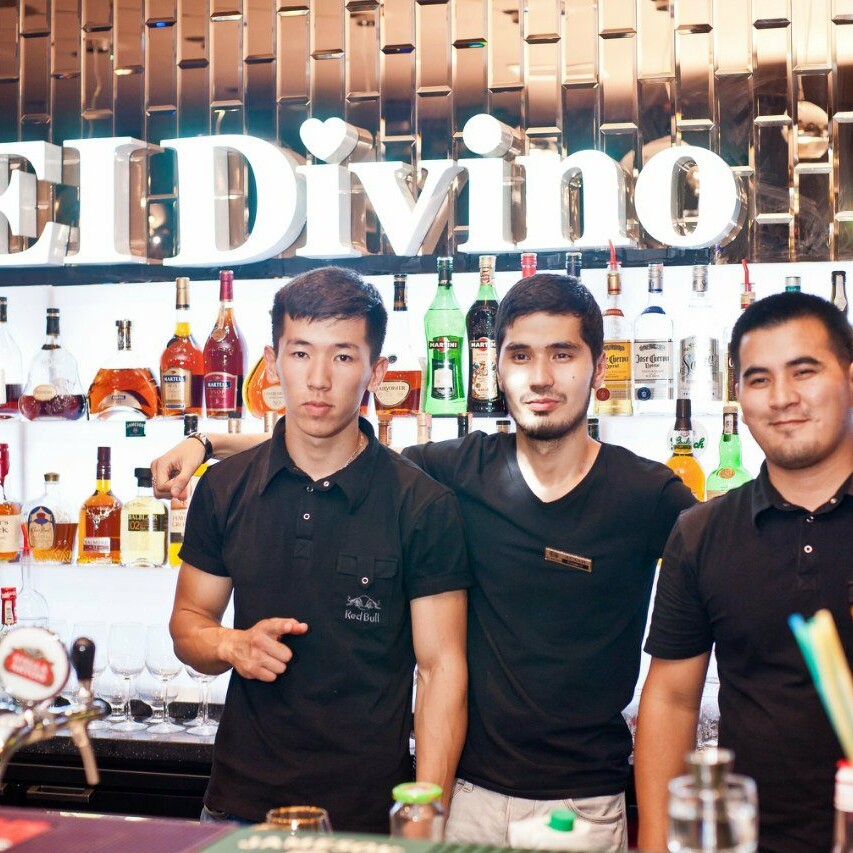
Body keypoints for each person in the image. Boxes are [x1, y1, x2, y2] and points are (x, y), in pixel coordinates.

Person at [155, 272, 695, 850]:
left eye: (562, 355)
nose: (540, 377)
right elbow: (325, 442)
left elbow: (725, 563)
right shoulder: (454, 472)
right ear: (496, 369)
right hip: (463, 796)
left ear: (598, 366)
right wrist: (206, 443)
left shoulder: (645, 494)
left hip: (580, 804)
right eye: (520, 356)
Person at [169, 266, 471, 832]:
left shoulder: (422, 504)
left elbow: (440, 672)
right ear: (272, 361)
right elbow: (188, 622)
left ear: (377, 371)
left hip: (366, 818)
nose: (318, 379)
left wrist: (425, 815)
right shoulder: (225, 487)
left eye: (343, 356)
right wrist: (231, 644)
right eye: (301, 353)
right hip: (236, 808)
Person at [635, 291, 853, 853]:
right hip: (747, 839)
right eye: (759, 379)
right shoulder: (701, 532)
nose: (782, 398)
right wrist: (658, 843)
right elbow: (672, 701)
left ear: (850, 377)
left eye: (804, 372)